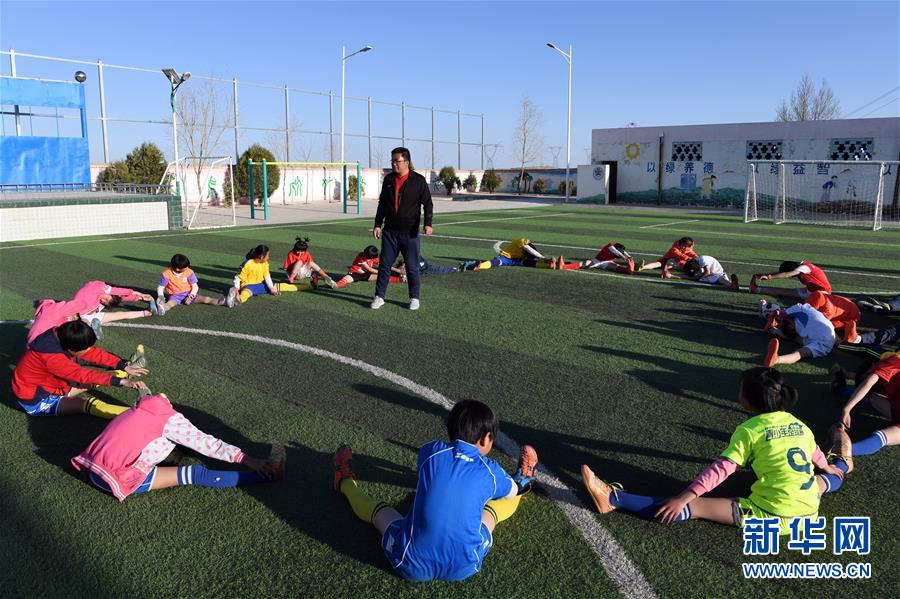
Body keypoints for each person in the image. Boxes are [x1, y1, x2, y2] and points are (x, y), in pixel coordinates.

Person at [581, 367, 849, 535]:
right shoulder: (798, 424)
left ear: (749, 400)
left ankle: (614, 499)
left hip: (773, 517)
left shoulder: (750, 429)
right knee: (825, 480)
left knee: (693, 507)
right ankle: (841, 470)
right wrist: (826, 467)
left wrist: (685, 496)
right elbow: (813, 451)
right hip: (808, 511)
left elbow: (722, 470)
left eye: (740, 390)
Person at [332, 399, 538, 582]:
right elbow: (511, 491)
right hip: (464, 566)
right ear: (486, 438)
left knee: (382, 514)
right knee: (492, 513)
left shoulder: (430, 451)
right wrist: (517, 485)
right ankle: (526, 477)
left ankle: (344, 481)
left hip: (409, 563)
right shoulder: (490, 470)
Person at [71, 391, 285, 501]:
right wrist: (247, 459)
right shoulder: (170, 419)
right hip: (112, 478)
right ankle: (267, 474)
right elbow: (206, 443)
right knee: (196, 473)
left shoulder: (138, 408)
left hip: (90, 466)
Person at [11, 320, 148, 419]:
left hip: (52, 383)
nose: (89, 350)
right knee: (87, 404)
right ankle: (140, 416)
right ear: (71, 349)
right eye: (85, 349)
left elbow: (93, 353)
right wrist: (122, 383)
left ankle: (121, 374)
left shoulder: (60, 335)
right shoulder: (52, 357)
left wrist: (123, 365)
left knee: (91, 381)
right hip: (36, 400)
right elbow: (81, 374)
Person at [371, 147, 434, 311]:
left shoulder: (418, 180)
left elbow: (428, 203)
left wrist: (428, 223)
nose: (393, 164)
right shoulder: (389, 180)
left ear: (406, 162)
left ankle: (414, 298)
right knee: (385, 265)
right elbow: (382, 204)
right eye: (392, 161)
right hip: (390, 232)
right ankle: (379, 296)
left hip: (410, 233)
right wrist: (378, 224)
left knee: (412, 267)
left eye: (396, 161)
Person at [27, 280, 157, 344]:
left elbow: (121, 296)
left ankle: (146, 313)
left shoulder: (106, 296)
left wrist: (140, 297)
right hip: (80, 316)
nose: (104, 302)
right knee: (83, 326)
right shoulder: (95, 287)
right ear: (108, 291)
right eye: (107, 299)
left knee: (119, 315)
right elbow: (117, 291)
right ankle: (92, 329)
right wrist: (133, 292)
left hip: (90, 316)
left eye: (106, 303)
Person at [831, 352, 899, 461]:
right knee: (873, 398)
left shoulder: (891, 361)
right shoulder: (890, 367)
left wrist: (847, 409)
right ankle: (840, 390)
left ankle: (844, 452)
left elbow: (868, 382)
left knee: (881, 437)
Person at [225, 245, 304, 307]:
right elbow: (237, 278)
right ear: (261, 257)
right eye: (268, 256)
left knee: (284, 286)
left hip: (261, 284)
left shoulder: (265, 263)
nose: (269, 257)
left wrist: (272, 288)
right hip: (247, 286)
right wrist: (237, 289)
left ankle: (310, 286)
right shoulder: (247, 264)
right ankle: (233, 299)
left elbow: (267, 276)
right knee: (245, 295)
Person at [762, 303, 836, 367]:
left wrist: (778, 315)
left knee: (800, 352)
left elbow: (792, 335)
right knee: (800, 353)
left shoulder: (801, 310)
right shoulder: (800, 311)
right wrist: (779, 314)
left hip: (825, 338)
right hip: (826, 339)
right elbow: (792, 310)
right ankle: (776, 359)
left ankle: (777, 359)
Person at [155, 254, 226, 316]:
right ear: (177, 268)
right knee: (170, 303)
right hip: (175, 295)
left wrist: (191, 296)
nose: (187, 268)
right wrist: (161, 297)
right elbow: (161, 287)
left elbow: (195, 287)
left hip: (189, 293)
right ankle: (162, 308)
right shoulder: (166, 274)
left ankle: (221, 302)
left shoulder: (189, 272)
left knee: (206, 299)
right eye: (185, 267)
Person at [458, 238, 559, 271]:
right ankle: (479, 266)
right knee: (494, 262)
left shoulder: (528, 251)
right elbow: (529, 249)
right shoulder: (522, 241)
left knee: (530, 263)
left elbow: (532, 253)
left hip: (514, 260)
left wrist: (545, 260)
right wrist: (542, 257)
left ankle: (549, 265)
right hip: (506, 257)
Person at [750, 260, 831, 298]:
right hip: (812, 290)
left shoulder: (804, 268)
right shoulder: (800, 267)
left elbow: (787, 274)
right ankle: (756, 289)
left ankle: (756, 289)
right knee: (785, 292)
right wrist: (766, 275)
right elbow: (785, 273)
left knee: (786, 293)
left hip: (822, 293)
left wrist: (769, 277)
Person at [335, 245, 405, 288]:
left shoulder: (372, 257)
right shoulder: (360, 256)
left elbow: (384, 264)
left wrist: (397, 270)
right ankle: (336, 284)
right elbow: (369, 269)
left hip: (366, 274)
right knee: (347, 279)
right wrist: (381, 272)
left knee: (382, 275)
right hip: (355, 274)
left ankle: (400, 279)